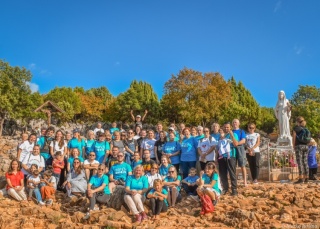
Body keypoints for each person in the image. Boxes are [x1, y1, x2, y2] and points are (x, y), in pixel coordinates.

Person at [218, 122, 239, 196]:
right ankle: (225, 188)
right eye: (225, 127)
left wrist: (232, 135)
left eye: (228, 127)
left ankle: (234, 189)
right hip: (222, 157)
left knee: (232, 173)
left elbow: (236, 144)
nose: (226, 129)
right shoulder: (221, 136)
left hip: (231, 156)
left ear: (230, 128)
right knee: (223, 173)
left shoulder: (234, 134)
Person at [293, 116, 310, 183]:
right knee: (305, 162)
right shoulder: (306, 129)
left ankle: (301, 178)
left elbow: (294, 138)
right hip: (306, 146)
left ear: (297, 122)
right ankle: (307, 178)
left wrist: (293, 146)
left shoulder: (296, 129)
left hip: (299, 146)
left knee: (300, 162)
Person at [232, 119, 247, 186]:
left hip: (240, 149)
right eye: (233, 122)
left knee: (242, 165)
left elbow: (243, 140)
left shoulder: (241, 131)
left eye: (236, 122)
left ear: (239, 123)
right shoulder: (231, 132)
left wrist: (236, 143)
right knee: (233, 166)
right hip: (232, 150)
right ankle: (234, 182)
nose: (234, 123)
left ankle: (245, 182)